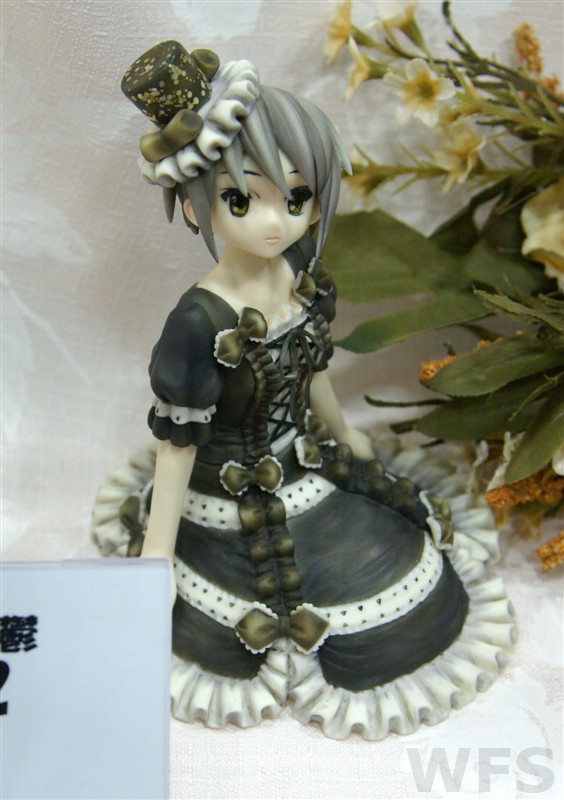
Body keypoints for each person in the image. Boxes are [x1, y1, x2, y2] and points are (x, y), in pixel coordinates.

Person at [93, 41, 515, 740]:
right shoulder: (197, 322)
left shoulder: (302, 273)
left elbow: (313, 369)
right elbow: (176, 448)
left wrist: (343, 430)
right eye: (241, 199)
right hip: (227, 495)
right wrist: (156, 559)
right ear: (197, 209)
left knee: (405, 550)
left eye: (296, 197)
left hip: (308, 460)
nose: (276, 221)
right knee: (352, 584)